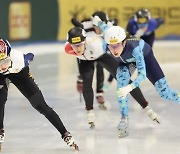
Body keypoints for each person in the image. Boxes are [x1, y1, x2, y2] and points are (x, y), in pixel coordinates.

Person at [95, 19, 180, 137]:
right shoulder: (106, 45)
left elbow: (142, 75)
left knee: (165, 93)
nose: (114, 50)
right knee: (121, 84)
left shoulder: (135, 49)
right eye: (111, 46)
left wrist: (130, 87)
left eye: (117, 45)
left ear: (124, 42)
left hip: (145, 57)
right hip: (126, 62)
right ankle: (124, 118)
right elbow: (105, 29)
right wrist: (98, 22)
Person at [64, 27, 159, 130]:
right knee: (87, 80)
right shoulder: (68, 49)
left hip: (101, 55)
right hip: (85, 60)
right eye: (74, 46)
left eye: (80, 45)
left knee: (124, 79)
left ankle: (145, 106)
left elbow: (115, 43)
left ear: (85, 41)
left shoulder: (99, 45)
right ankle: (90, 111)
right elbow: (78, 53)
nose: (77, 49)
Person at [0, 39, 79, 150]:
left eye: (5, 61)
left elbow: (29, 56)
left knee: (40, 105)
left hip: (18, 73)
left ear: (10, 56)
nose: (3, 66)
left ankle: (65, 133)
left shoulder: (18, 59)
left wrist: (27, 60)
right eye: (0, 62)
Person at [104, 8, 164, 90]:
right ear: (136, 20)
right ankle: (109, 80)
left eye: (144, 20)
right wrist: (136, 34)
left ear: (148, 20)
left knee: (145, 55)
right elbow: (126, 38)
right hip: (134, 38)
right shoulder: (131, 24)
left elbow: (161, 20)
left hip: (148, 38)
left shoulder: (153, 23)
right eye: (140, 21)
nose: (142, 24)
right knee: (119, 57)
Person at [71, 11, 116, 110]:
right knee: (84, 68)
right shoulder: (86, 26)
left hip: (99, 51)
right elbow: (73, 21)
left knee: (100, 68)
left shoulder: (108, 26)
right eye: (96, 26)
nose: (99, 29)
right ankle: (80, 77)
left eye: (102, 25)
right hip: (85, 52)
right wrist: (79, 25)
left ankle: (99, 93)